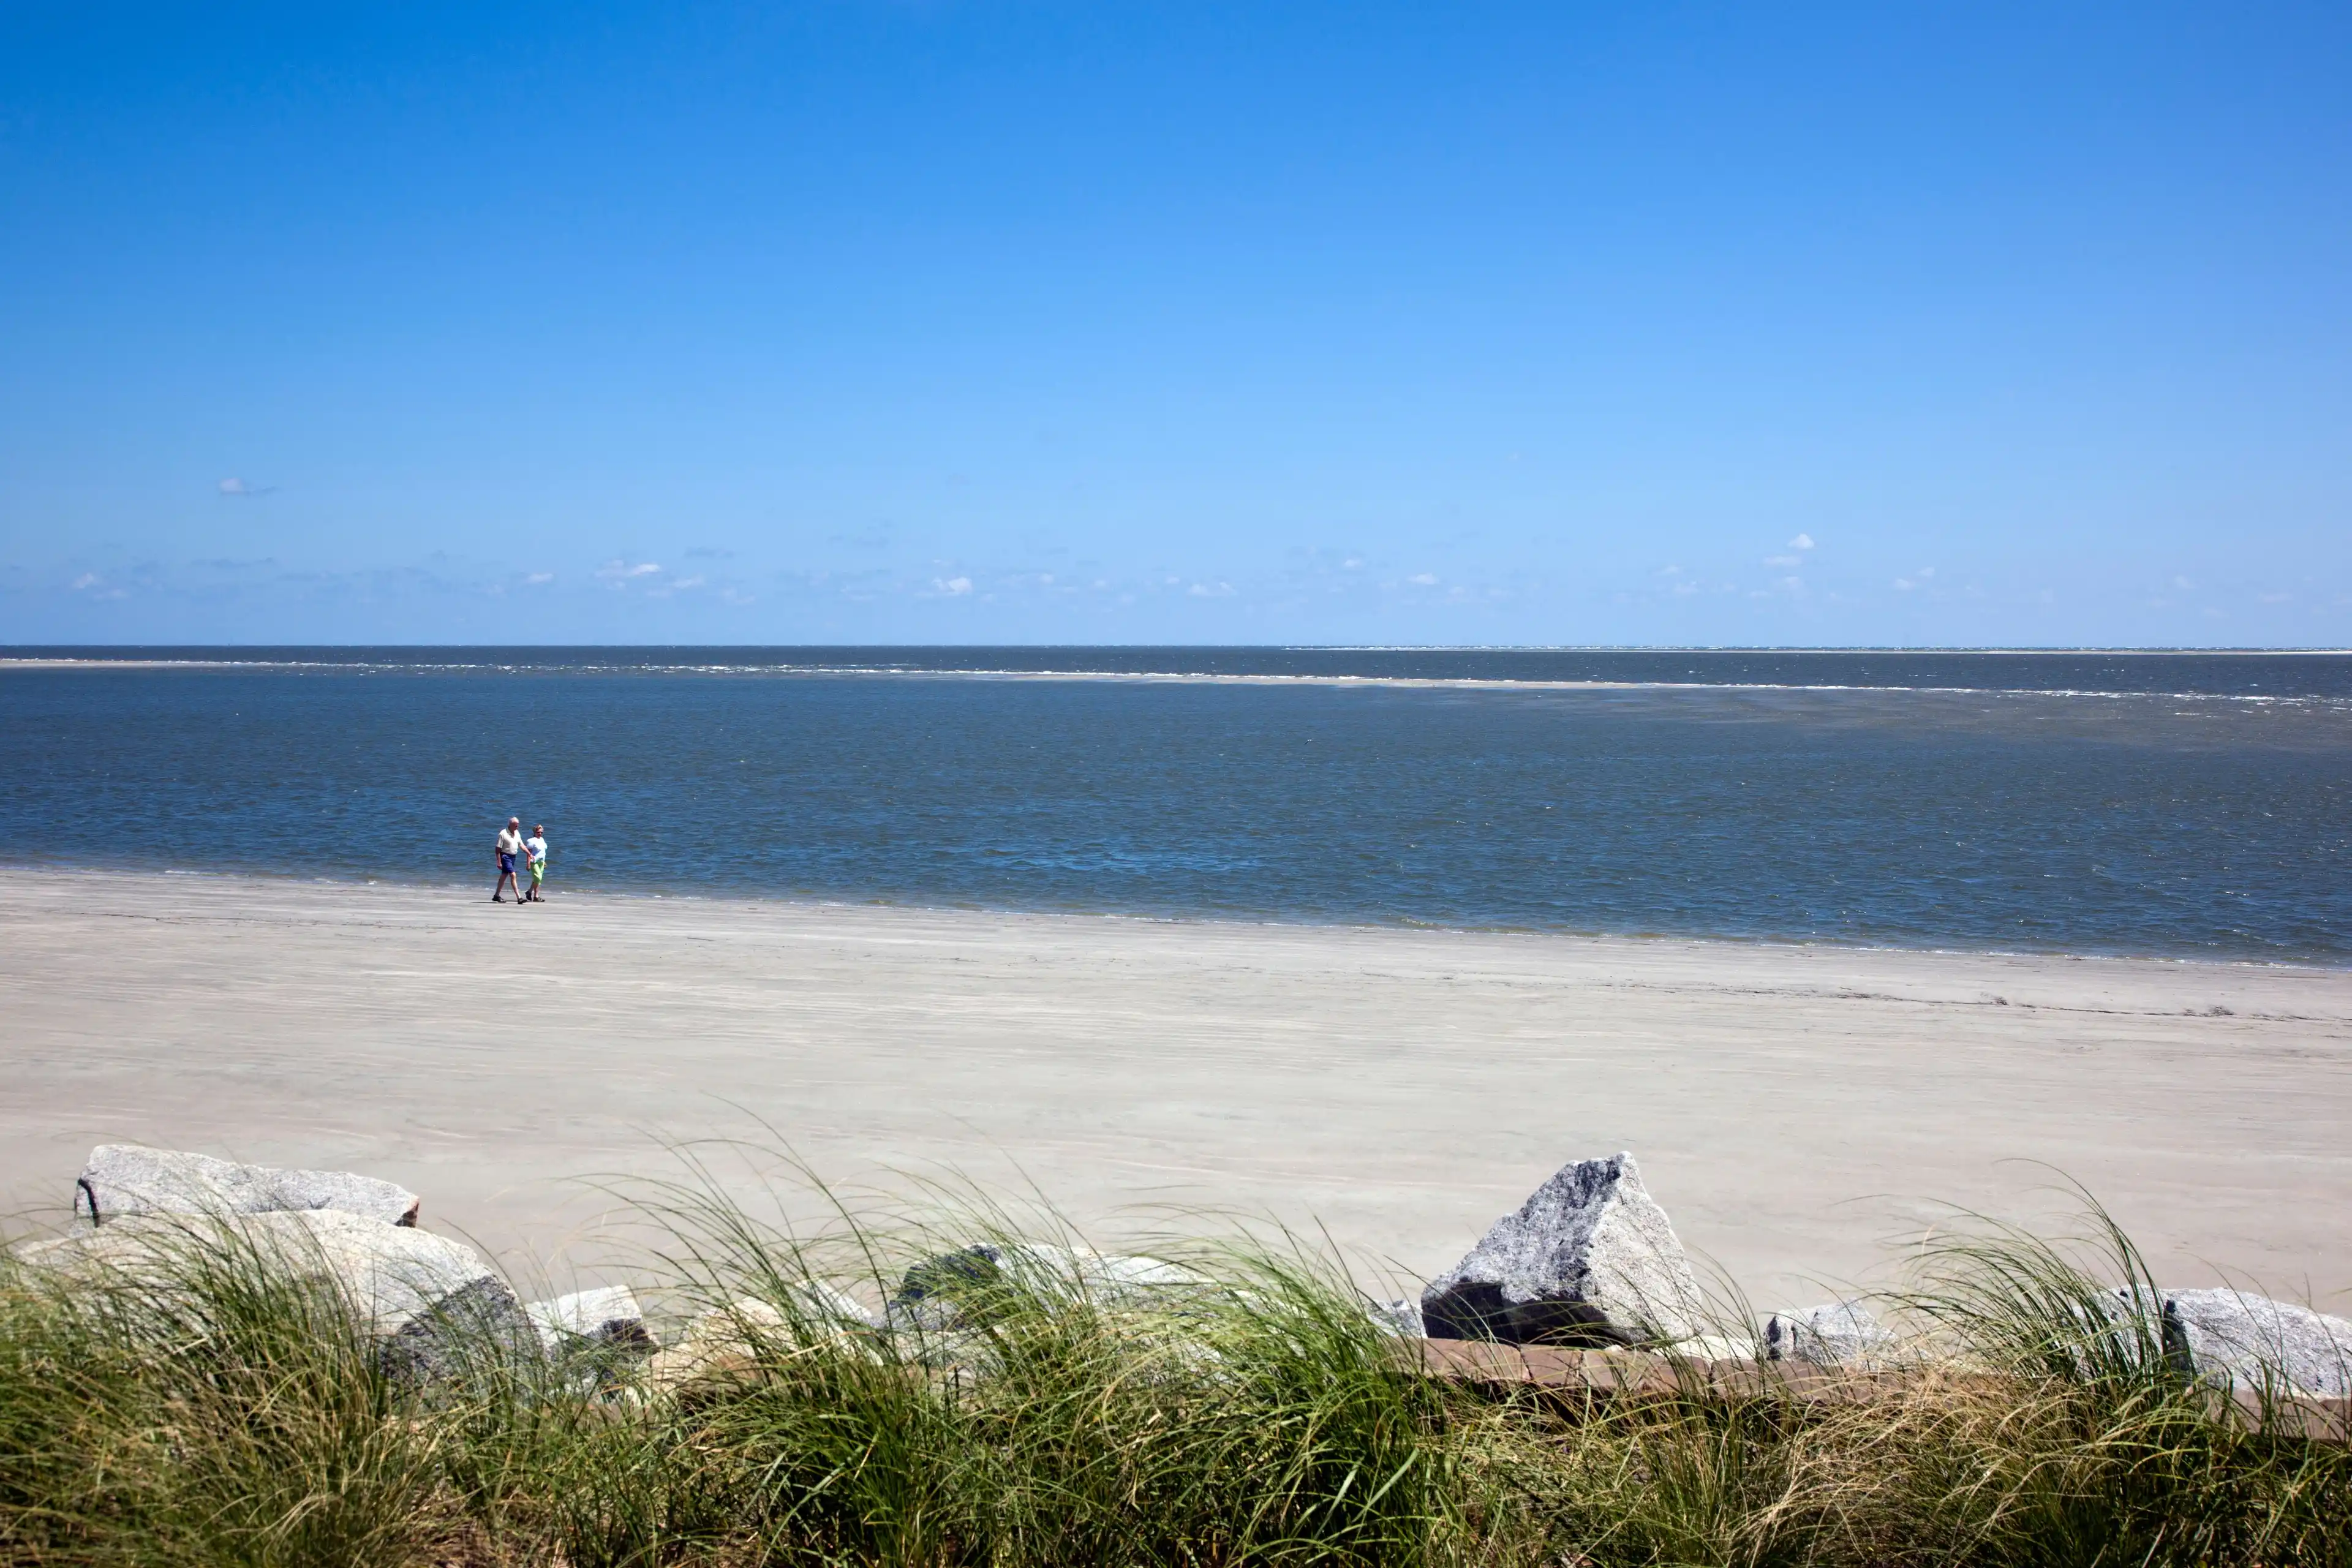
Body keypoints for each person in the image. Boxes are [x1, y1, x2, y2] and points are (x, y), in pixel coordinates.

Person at [494, 817, 526, 903]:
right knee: (513, 875)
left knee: (504, 876)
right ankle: (519, 898)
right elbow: (497, 849)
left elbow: (521, 845)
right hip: (505, 857)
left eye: (518, 825)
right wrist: (499, 862)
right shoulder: (503, 834)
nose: (517, 827)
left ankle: (496, 895)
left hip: (513, 857)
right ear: (510, 825)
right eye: (516, 825)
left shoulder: (517, 833)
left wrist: (529, 854)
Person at [524, 823, 549, 902]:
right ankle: (536, 896)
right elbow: (529, 853)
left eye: (541, 832)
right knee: (538, 878)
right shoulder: (531, 841)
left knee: (537, 879)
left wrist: (544, 862)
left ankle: (530, 892)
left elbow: (542, 852)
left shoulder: (542, 840)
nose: (540, 834)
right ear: (535, 832)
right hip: (534, 862)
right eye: (538, 832)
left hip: (541, 862)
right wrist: (528, 864)